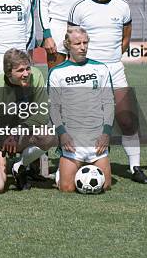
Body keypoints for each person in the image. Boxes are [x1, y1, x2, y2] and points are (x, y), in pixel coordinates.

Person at [68, 0, 147, 184]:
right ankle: (81, 163)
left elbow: (125, 39)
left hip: (115, 69)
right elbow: (72, 40)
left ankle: (135, 167)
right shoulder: (80, 8)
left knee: (127, 119)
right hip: (89, 71)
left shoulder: (122, 6)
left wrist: (111, 60)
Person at [0, 49, 57, 195]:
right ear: (8, 73)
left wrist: (17, 131)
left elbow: (42, 114)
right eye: (20, 70)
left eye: (28, 68)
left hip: (20, 133)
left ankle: (20, 166)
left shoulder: (36, 76)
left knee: (49, 136)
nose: (26, 73)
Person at [48, 26, 113, 192]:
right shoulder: (57, 72)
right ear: (68, 45)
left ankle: (81, 169)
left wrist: (106, 133)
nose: (82, 47)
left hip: (96, 139)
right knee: (67, 188)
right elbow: (54, 107)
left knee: (105, 186)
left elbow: (109, 103)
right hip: (72, 141)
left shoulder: (101, 69)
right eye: (77, 43)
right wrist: (62, 133)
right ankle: (61, 172)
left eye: (85, 42)